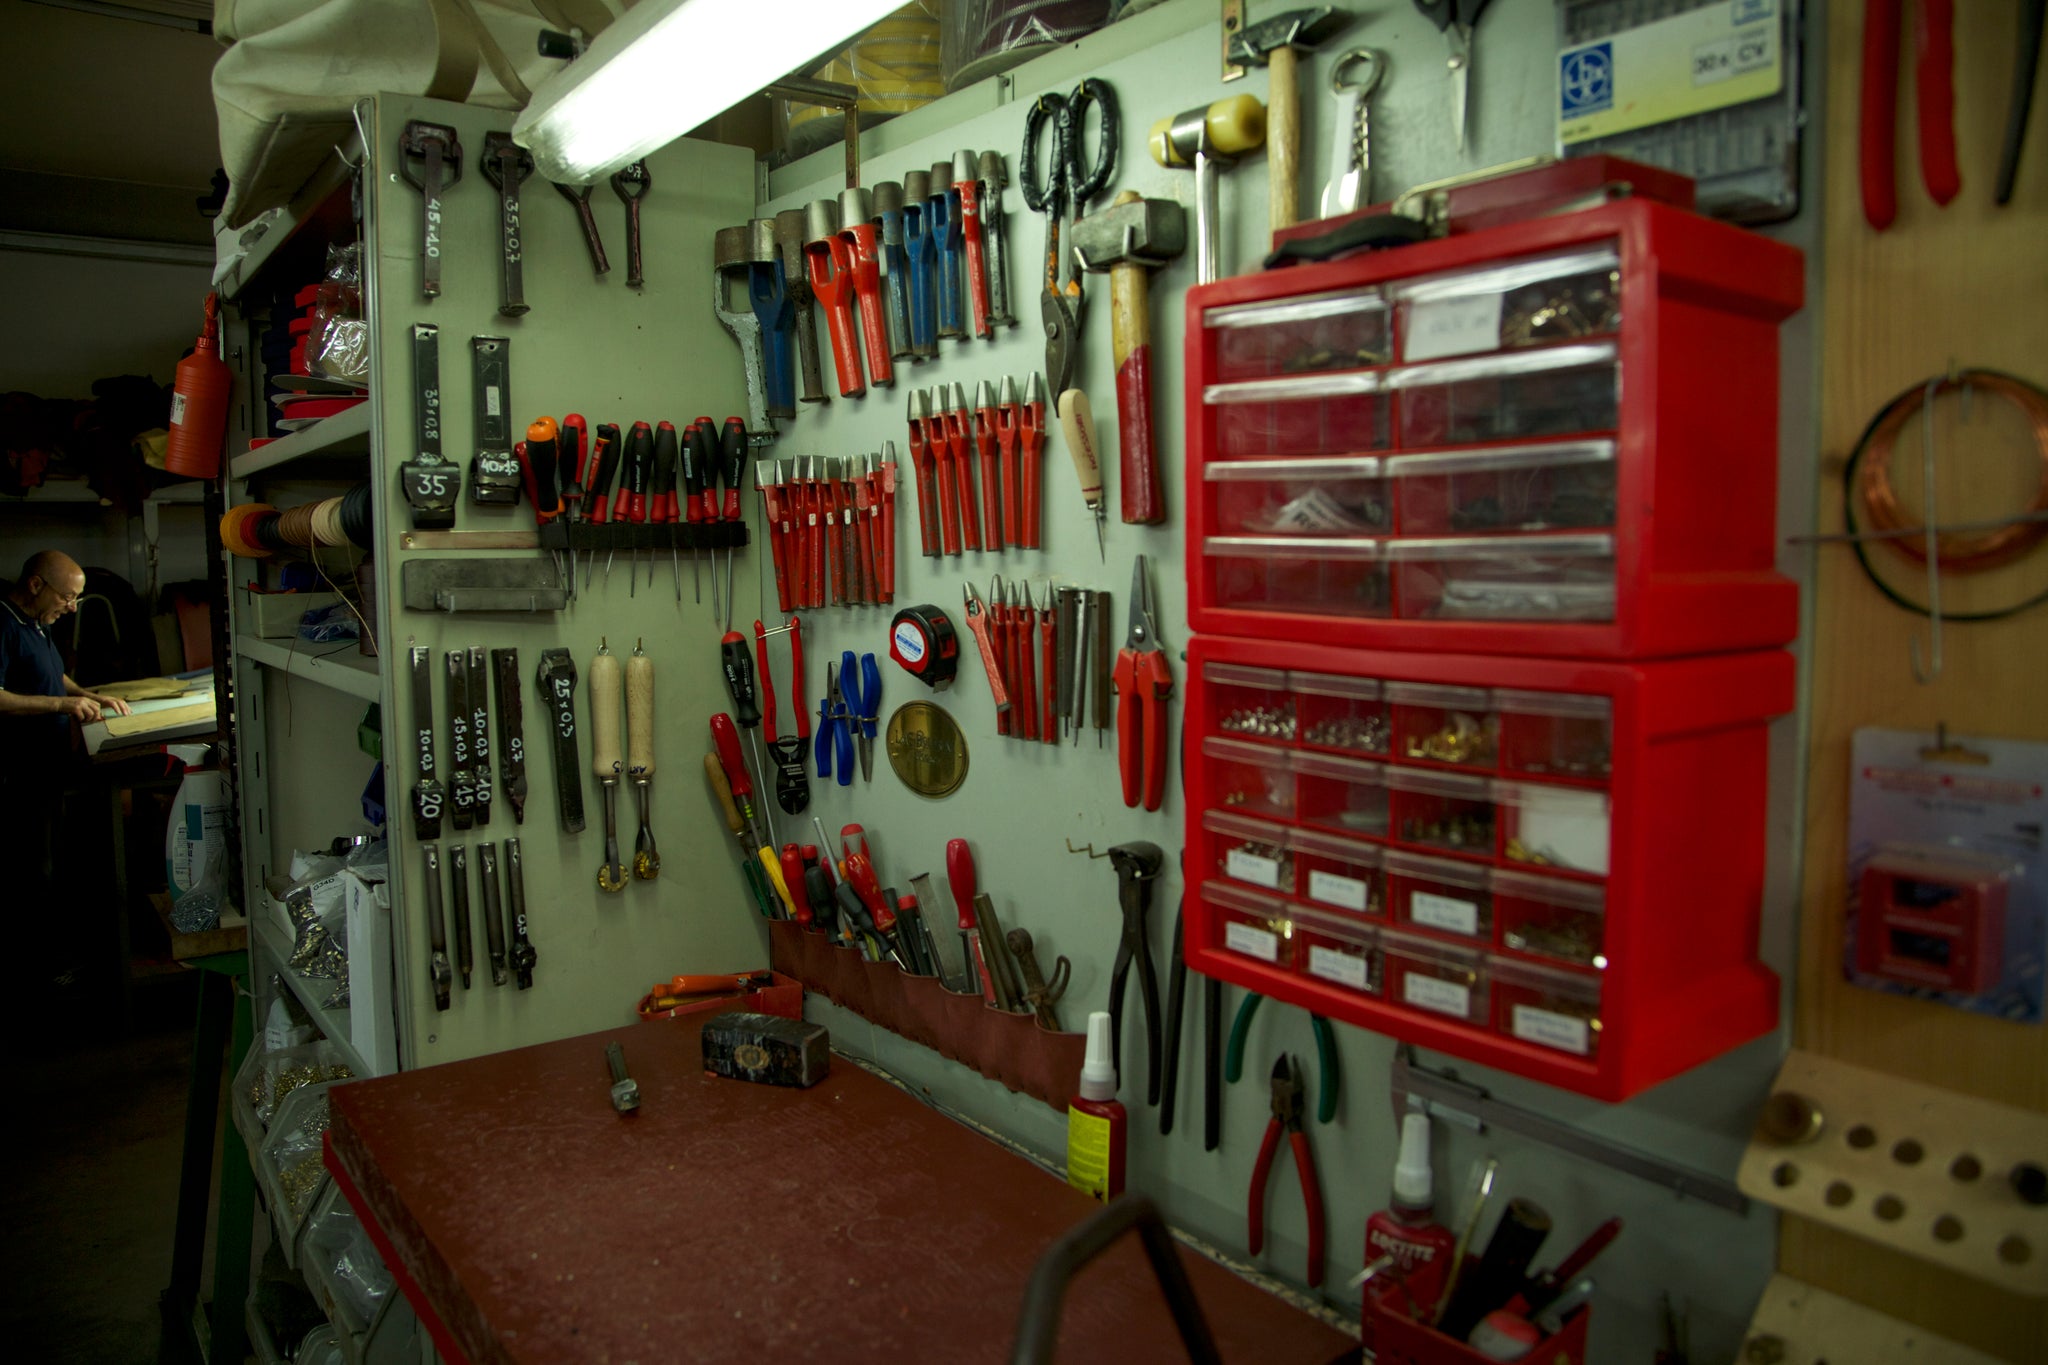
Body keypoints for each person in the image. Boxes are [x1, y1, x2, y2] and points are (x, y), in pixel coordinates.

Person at [2, 550, 131, 995]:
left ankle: (51, 960)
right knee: (29, 870)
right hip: (17, 770)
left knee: (51, 862)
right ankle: (35, 976)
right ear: (37, 585)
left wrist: (89, 695)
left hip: (48, 764)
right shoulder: (3, 623)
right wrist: (63, 705)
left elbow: (52, 676)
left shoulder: (37, 623)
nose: (72, 607)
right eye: (68, 597)